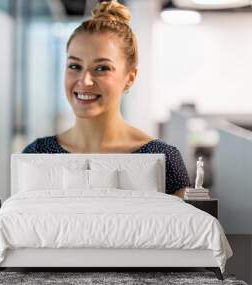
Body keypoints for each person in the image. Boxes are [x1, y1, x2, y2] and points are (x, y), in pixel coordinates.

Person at [22, 0, 190, 198]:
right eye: (74, 66)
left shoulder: (163, 158)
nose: (85, 81)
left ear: (130, 77)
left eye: (102, 68)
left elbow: (181, 228)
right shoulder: (38, 155)